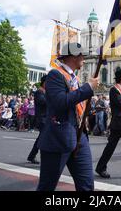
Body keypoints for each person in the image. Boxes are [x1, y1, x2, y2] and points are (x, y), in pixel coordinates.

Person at [37, 43, 98, 191]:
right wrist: (87, 88)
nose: (84, 57)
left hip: (79, 136)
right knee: (47, 186)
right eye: (81, 54)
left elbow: (75, 104)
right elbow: (60, 102)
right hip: (59, 138)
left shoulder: (74, 78)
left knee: (87, 185)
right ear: (73, 56)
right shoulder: (55, 75)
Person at [27, 74, 47, 164]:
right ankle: (38, 157)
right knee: (43, 139)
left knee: (41, 139)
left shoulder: (45, 91)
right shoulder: (40, 92)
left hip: (45, 119)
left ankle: (31, 156)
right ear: (44, 83)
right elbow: (43, 102)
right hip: (41, 119)